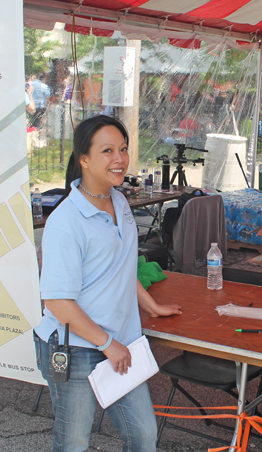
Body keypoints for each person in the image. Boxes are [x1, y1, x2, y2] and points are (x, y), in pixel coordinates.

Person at [34, 115, 182, 452]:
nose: (119, 158)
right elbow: (57, 302)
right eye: (107, 150)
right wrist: (107, 344)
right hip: (76, 347)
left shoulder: (118, 201)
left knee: (144, 436)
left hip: (119, 342)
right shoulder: (65, 222)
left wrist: (151, 306)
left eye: (124, 149)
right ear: (84, 159)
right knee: (73, 442)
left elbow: (121, 267)